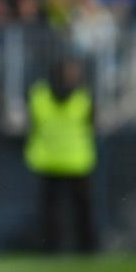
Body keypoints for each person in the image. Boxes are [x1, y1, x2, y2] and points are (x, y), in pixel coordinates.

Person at [25, 57, 99, 254]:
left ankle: (55, 248)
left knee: (56, 211)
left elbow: (31, 123)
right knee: (75, 210)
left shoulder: (38, 96)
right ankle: (85, 248)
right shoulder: (83, 98)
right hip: (74, 161)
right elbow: (92, 125)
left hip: (53, 160)